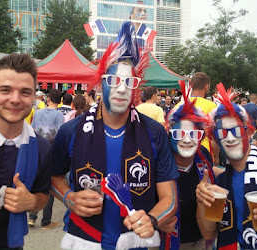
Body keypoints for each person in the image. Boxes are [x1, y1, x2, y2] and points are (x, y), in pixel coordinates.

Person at [51, 22, 179, 250]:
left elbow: (169, 198)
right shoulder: (71, 130)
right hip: (83, 240)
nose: (121, 89)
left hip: (135, 243)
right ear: (101, 84)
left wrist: (152, 220)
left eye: (129, 82)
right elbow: (53, 177)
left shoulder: (154, 132)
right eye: (114, 81)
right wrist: (69, 197)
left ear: (136, 88)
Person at [0, 53, 52, 249]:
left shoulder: (41, 147)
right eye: (5, 90)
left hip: (10, 243)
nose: (15, 99)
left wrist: (31, 201)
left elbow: (43, 195)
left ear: (33, 96)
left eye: (24, 92)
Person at [196, 83, 257, 249]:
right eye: (222, 133)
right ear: (216, 139)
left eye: (236, 130)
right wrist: (202, 199)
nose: (229, 138)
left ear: (248, 132)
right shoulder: (220, 183)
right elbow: (208, 233)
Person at [162, 81, 215, 250]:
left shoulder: (204, 157)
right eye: (179, 133)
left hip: (201, 242)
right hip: (165, 243)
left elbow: (213, 172)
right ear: (169, 133)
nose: (186, 140)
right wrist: (156, 221)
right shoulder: (158, 163)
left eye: (194, 134)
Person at [29, 89, 64, 229]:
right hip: (51, 153)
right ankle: (46, 221)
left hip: (37, 151)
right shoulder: (59, 115)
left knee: (36, 181)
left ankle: (32, 216)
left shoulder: (37, 113)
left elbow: (32, 130)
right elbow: (60, 135)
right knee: (48, 186)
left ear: (48, 99)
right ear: (59, 101)